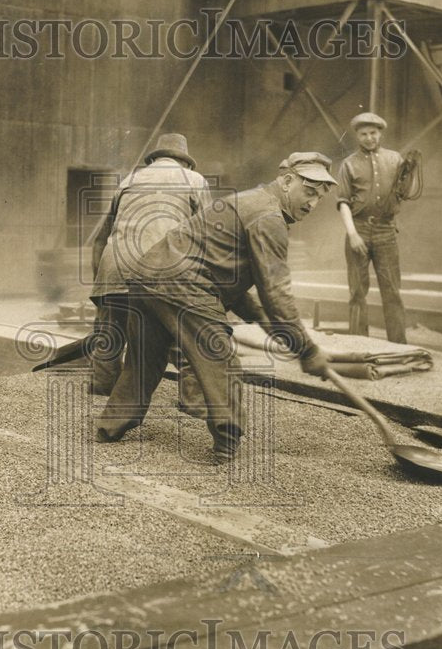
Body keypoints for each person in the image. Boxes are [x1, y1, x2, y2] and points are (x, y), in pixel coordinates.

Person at [95, 152, 337, 462]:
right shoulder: (269, 218)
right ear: (288, 181)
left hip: (146, 275)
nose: (313, 203)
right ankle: (227, 441)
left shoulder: (250, 201)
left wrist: (272, 325)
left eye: (319, 196)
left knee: (144, 358)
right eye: (309, 191)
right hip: (181, 281)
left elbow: (234, 286)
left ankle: (110, 426)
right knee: (218, 356)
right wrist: (306, 349)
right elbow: (275, 293)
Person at [88, 134, 211, 412]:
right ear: (185, 162)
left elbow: (100, 238)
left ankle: (102, 385)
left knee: (110, 331)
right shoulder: (194, 180)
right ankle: (193, 401)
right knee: (185, 332)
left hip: (114, 266)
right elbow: (206, 234)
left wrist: (103, 285)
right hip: (160, 269)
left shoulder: (128, 181)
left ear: (154, 159)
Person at [335, 112, 408, 344]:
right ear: (357, 136)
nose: (369, 138)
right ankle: (358, 344)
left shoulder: (396, 160)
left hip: (386, 231)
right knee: (357, 292)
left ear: (380, 133)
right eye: (364, 134)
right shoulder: (348, 165)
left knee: (392, 291)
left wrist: (410, 173)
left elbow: (405, 193)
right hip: (359, 230)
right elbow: (343, 202)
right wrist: (353, 234)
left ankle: (398, 345)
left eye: (373, 133)